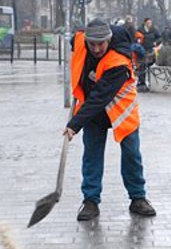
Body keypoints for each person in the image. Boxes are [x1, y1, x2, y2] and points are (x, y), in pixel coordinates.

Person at [64, 18, 157, 221]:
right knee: (92, 154)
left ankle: (138, 198)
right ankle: (90, 201)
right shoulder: (81, 41)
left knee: (131, 152)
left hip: (121, 106)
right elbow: (76, 39)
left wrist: (74, 124)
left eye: (101, 44)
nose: (96, 49)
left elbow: (101, 96)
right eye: (92, 44)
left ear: (109, 39)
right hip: (94, 110)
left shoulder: (119, 61)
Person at [137, 17, 161, 92]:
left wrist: (156, 42)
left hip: (151, 51)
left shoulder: (154, 30)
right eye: (148, 23)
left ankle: (151, 83)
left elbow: (159, 38)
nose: (149, 24)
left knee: (150, 67)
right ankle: (142, 84)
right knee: (142, 67)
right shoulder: (140, 30)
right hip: (142, 51)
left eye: (150, 23)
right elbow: (136, 38)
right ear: (145, 23)